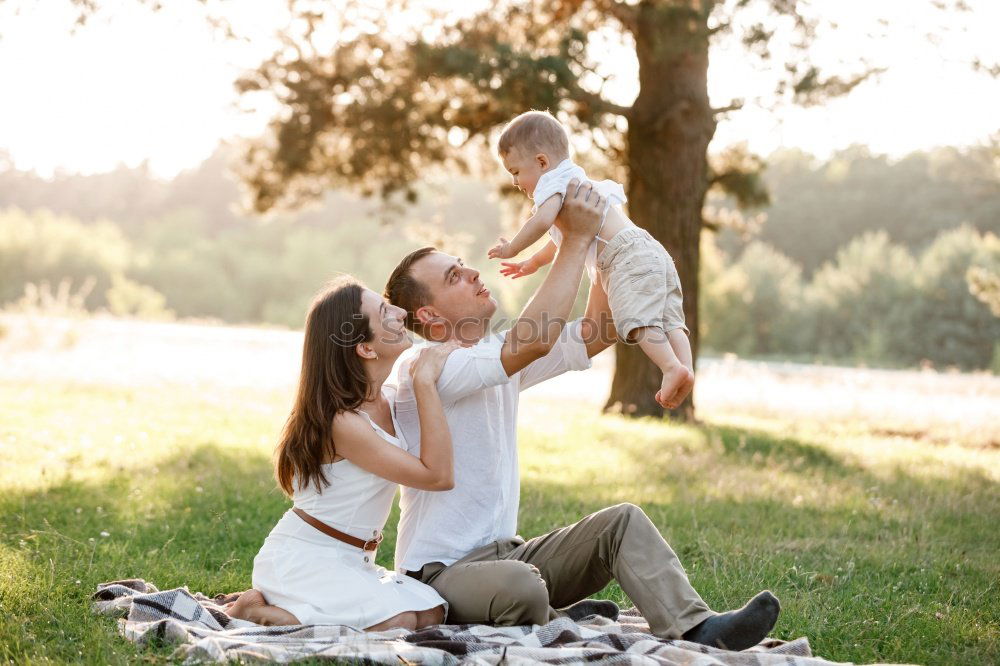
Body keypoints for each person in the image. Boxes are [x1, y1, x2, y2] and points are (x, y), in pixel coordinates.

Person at [383, 179, 781, 650]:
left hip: (512, 555)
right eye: (453, 276)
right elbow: (534, 338)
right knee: (522, 587)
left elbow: (598, 329)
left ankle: (696, 627)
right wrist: (571, 239)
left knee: (622, 522)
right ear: (428, 317)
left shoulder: (496, 359)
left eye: (463, 265)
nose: (471, 273)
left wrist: (597, 247)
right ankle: (556, 614)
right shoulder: (424, 365)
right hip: (440, 574)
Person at [226, 278, 460, 631]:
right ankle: (257, 610)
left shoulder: (387, 401)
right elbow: (437, 477)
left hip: (353, 560)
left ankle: (293, 613)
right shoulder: (344, 422)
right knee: (398, 622)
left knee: (431, 613)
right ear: (365, 349)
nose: (400, 311)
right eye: (385, 312)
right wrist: (425, 381)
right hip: (304, 560)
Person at [488, 110, 693, 410]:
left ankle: (670, 368)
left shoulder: (551, 185)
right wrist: (533, 263)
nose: (516, 182)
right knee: (670, 319)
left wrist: (513, 248)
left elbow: (543, 223)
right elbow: (559, 240)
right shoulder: (573, 179)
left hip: (622, 256)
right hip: (650, 249)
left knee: (634, 317)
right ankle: (684, 369)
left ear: (542, 162)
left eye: (516, 171)